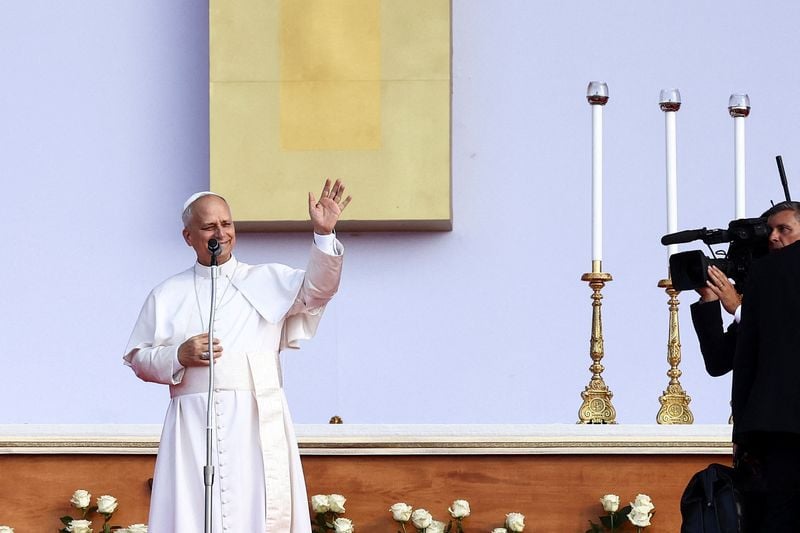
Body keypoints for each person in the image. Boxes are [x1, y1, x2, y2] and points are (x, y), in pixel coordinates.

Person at [124, 179, 351, 532]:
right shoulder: (167, 293)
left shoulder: (265, 279)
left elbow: (319, 290)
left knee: (257, 510)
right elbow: (139, 358)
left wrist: (324, 235)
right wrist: (178, 355)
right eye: (209, 226)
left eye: (226, 223)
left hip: (256, 421)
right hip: (193, 426)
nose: (221, 232)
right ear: (188, 236)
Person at [727, 201, 800, 531]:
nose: (772, 237)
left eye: (783, 230)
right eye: (770, 230)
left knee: (777, 517)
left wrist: (741, 427)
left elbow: (746, 356)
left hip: (778, 425)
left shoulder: (768, 271)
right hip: (778, 425)